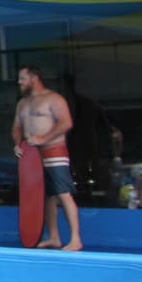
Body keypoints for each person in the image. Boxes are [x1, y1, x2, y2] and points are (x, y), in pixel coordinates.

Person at [13, 65, 82, 250]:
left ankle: (75, 239)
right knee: (46, 197)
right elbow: (17, 126)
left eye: (22, 78)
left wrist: (43, 139)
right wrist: (18, 144)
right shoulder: (22, 103)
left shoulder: (54, 99)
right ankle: (53, 237)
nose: (19, 82)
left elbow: (66, 123)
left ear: (34, 78)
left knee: (63, 193)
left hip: (53, 150)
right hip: (32, 155)